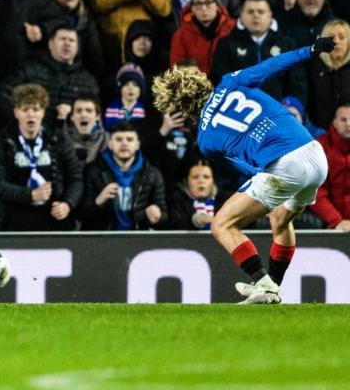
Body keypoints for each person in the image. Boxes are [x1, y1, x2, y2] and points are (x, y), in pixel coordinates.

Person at [150, 35, 337, 303]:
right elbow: (272, 65)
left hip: (286, 166)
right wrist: (309, 50)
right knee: (280, 219)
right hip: (315, 155)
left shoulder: (205, 141)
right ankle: (271, 288)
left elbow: (247, 169)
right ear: (201, 82)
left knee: (222, 224)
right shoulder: (230, 81)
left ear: (178, 108)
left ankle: (263, 283)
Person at [0, 83, 83, 231]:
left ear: (43, 112)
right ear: (16, 112)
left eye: (36, 109)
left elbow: (76, 178)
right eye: (25, 109)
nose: (31, 114)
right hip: (12, 223)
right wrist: (30, 195)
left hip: (52, 222)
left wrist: (68, 203)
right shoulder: (2, 141)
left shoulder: (58, 139)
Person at [78, 121, 168, 231]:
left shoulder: (152, 174)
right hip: (103, 240)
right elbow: (80, 214)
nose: (124, 144)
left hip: (137, 240)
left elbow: (164, 216)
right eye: (119, 139)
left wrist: (157, 218)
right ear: (110, 144)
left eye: (129, 139)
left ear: (137, 145)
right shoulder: (92, 171)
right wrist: (98, 201)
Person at [169, 0, 235, 73]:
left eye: (208, 2)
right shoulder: (181, 36)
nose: (203, 8)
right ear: (192, 8)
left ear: (217, 5)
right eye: (198, 4)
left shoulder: (233, 29)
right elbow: (178, 71)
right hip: (197, 85)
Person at [309, 104, 350, 231]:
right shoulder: (320, 146)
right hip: (329, 222)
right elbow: (315, 189)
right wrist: (336, 220)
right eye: (343, 120)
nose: (348, 124)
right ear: (335, 122)